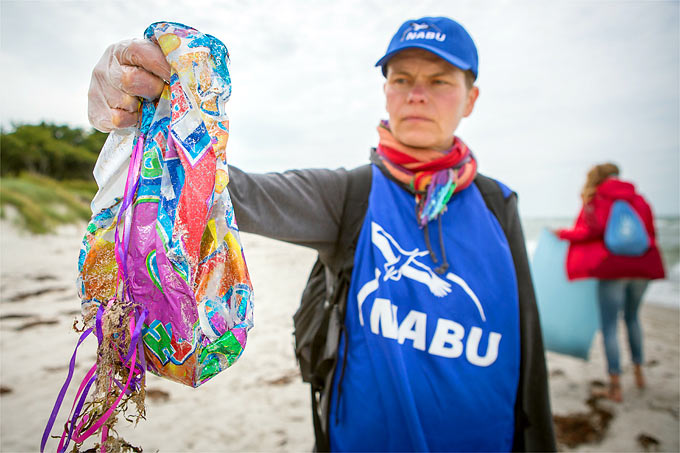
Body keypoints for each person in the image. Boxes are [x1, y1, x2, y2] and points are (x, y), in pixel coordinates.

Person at [88, 16, 556, 452]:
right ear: (386, 92)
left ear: (470, 98)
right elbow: (228, 188)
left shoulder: (499, 204)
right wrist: (150, 116)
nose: (417, 94)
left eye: (439, 81)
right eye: (402, 79)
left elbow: (526, 349)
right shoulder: (349, 195)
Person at [557, 163, 665, 402]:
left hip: (613, 268)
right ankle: (639, 373)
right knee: (633, 318)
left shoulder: (598, 198)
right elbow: (650, 232)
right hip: (642, 267)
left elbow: (590, 231)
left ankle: (615, 386)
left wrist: (561, 234)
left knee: (609, 326)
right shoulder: (640, 199)